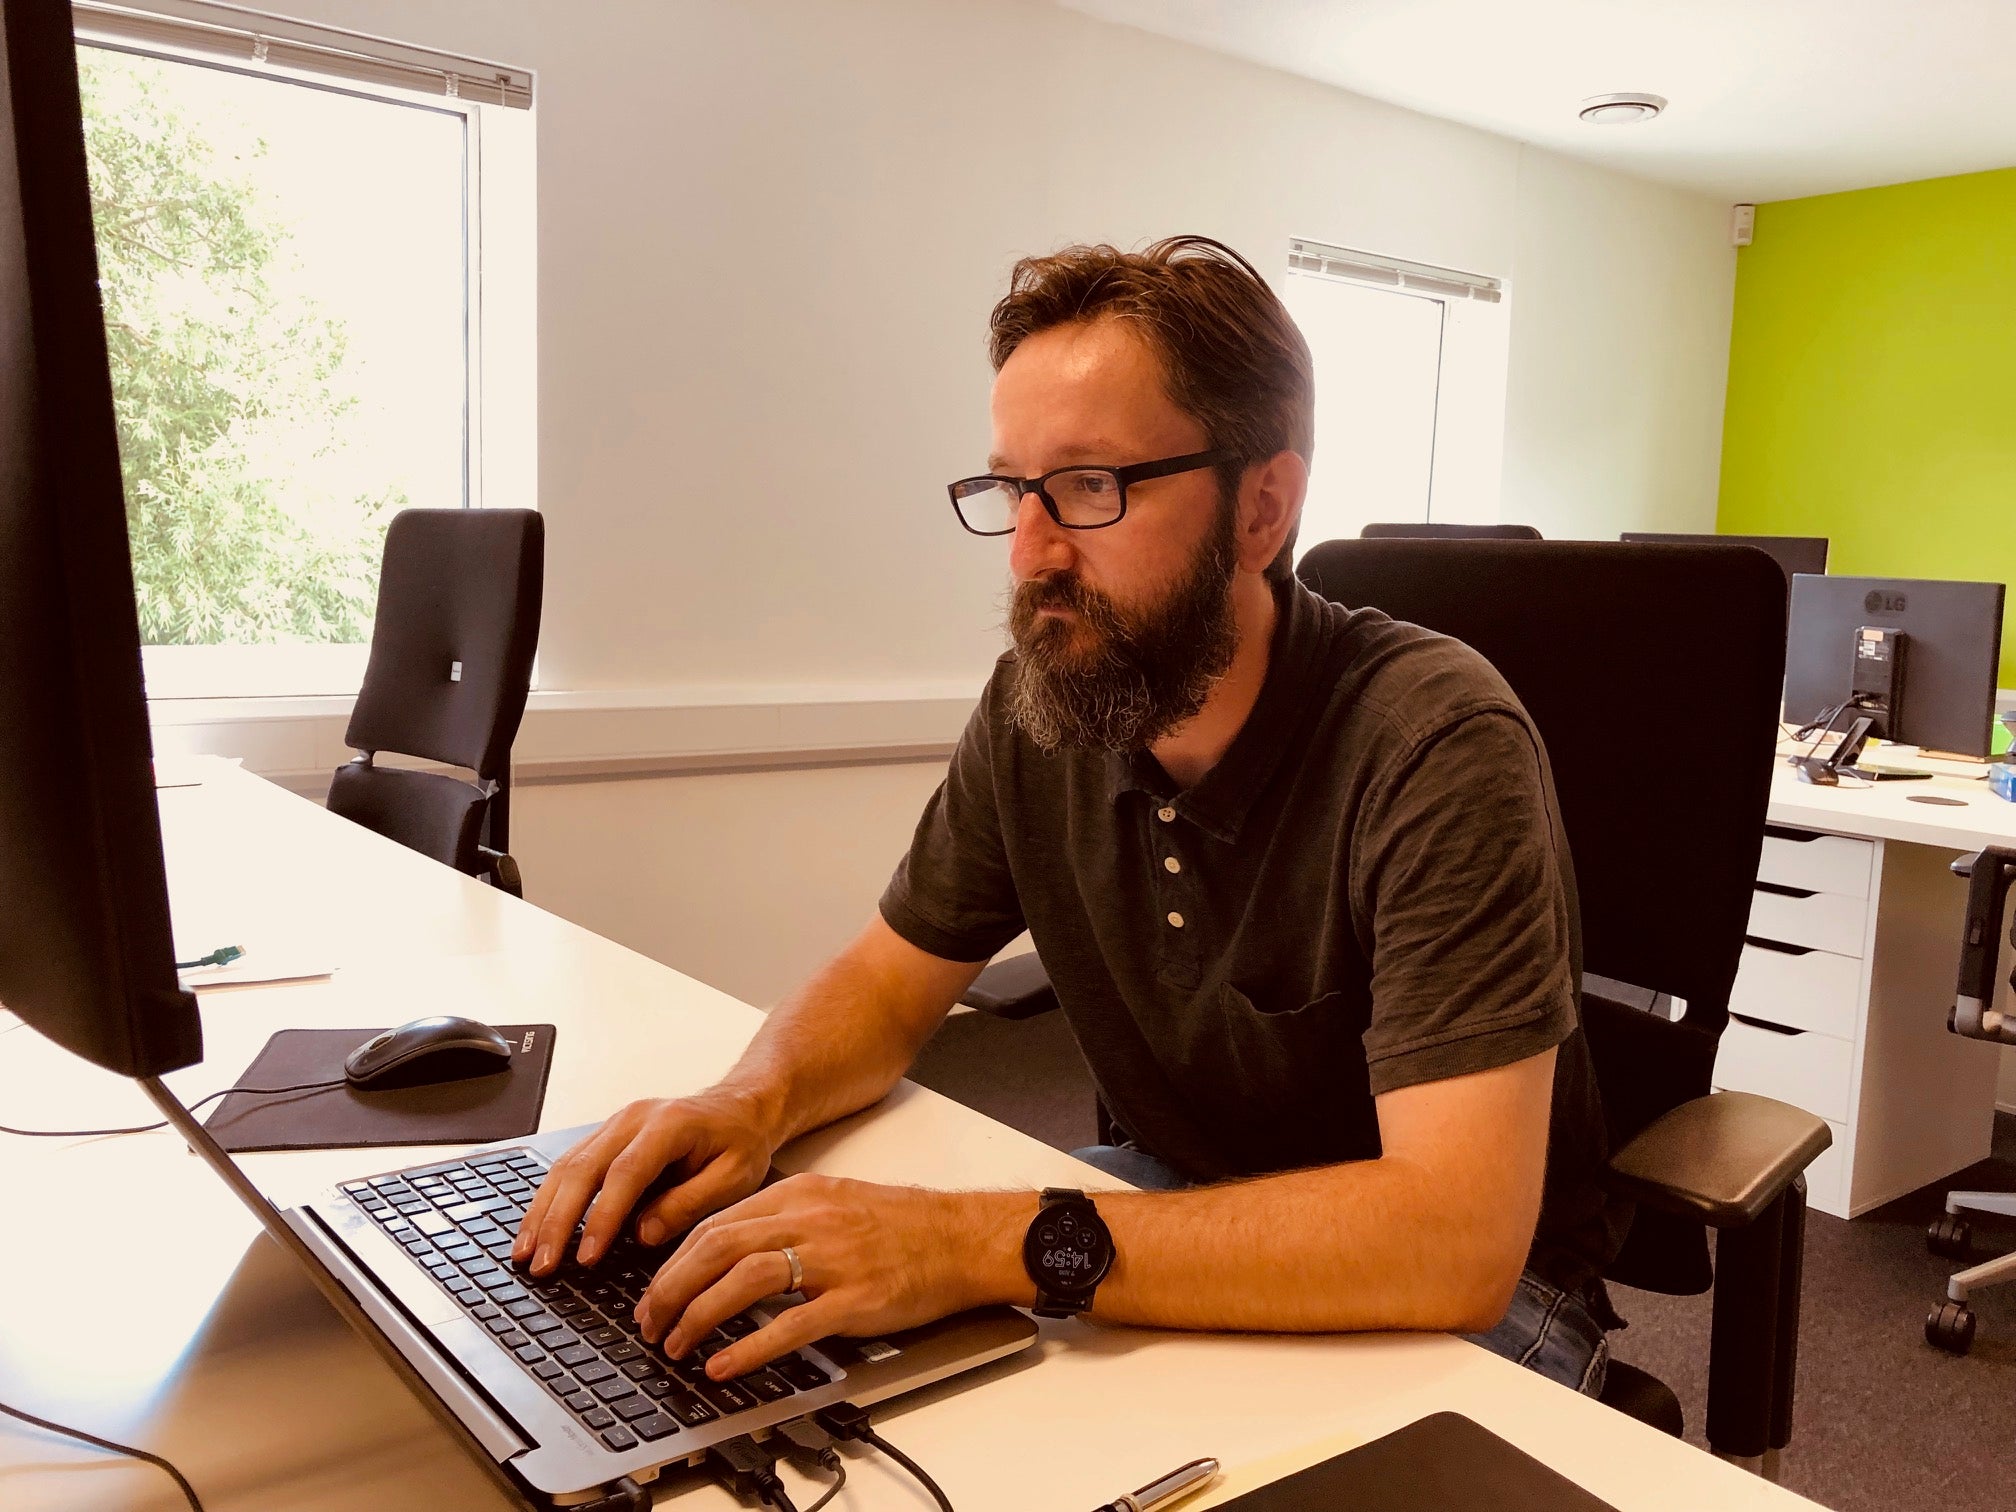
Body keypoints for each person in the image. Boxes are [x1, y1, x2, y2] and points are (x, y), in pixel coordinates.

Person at [515, 234, 1624, 1395]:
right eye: (1011, 489)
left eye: (1090, 487)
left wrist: (965, 1242)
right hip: (1163, 1207)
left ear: (1263, 508)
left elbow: (1451, 1241)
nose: (1032, 553)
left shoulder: (1432, 741)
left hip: (1462, 1315)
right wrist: (747, 1100)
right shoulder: (1048, 705)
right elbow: (890, 981)